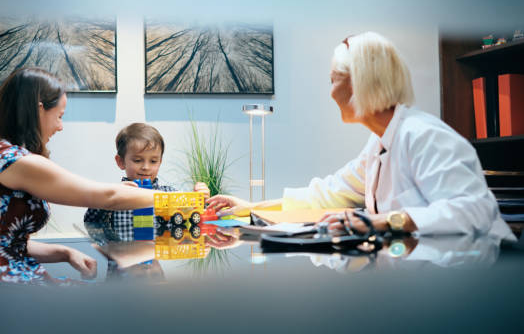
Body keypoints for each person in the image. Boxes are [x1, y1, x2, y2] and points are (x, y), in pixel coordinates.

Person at [208, 32, 515, 240]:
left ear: (359, 84)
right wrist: (250, 207)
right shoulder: (379, 143)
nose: (330, 93)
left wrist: (386, 220)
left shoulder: (424, 136)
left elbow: (474, 211)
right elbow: (326, 195)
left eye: (333, 81)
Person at [0, 67, 158, 283]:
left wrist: (65, 252)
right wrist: (187, 200)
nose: (60, 126)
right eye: (59, 116)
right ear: (39, 110)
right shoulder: (16, 161)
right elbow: (107, 197)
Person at [84, 122, 209, 236]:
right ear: (121, 161)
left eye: (153, 161)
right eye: (137, 160)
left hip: (155, 252)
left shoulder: (170, 194)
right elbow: (90, 221)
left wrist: (201, 200)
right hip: (125, 256)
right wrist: (109, 198)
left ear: (160, 162)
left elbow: (194, 221)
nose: (146, 167)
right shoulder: (116, 196)